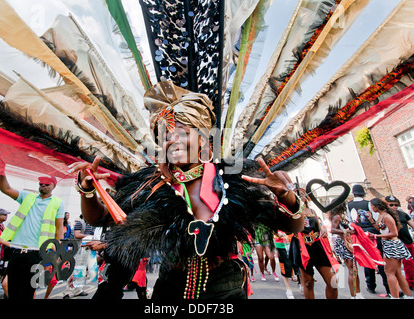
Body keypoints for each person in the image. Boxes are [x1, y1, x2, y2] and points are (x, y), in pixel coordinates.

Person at [68, 81, 304, 299]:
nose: (172, 140)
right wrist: (88, 190)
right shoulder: (152, 184)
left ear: (202, 139)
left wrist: (288, 197)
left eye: (182, 133)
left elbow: (292, 225)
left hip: (225, 289)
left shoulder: (232, 181)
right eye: (166, 136)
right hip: (169, 288)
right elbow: (99, 217)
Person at [0, 158, 65, 299]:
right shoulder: (28, 197)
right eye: (41, 184)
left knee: (27, 291)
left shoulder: (58, 203)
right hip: (16, 252)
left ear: (54, 186)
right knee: (12, 291)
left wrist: (58, 255)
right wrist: (1, 172)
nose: (43, 186)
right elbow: (5, 189)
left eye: (46, 184)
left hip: (36, 253)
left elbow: (59, 229)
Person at [347, 184, 390, 296]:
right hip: (372, 232)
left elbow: (350, 221)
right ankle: (387, 286)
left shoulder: (349, 205)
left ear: (354, 193)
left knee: (366, 258)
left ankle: (370, 286)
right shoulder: (368, 204)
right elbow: (375, 219)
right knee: (378, 257)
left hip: (360, 234)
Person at [292, 195, 338, 299]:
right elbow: (287, 231)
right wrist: (296, 224)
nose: (301, 195)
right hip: (302, 248)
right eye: (297, 192)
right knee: (308, 283)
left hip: (317, 246)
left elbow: (319, 227)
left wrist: (322, 230)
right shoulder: (291, 213)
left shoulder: (312, 211)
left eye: (303, 192)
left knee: (333, 282)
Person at [368, 197, 413, 299]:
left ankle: (395, 296)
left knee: (389, 272)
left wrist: (375, 236)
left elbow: (394, 233)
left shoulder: (387, 216)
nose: (371, 207)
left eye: (371, 205)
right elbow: (382, 229)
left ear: (376, 206)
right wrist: (371, 221)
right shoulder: (381, 216)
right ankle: (408, 295)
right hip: (388, 244)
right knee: (396, 272)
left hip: (392, 244)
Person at [330, 202, 364, 299]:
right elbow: (332, 230)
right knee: (352, 270)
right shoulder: (337, 217)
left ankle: (358, 292)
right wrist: (348, 231)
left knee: (354, 269)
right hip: (344, 243)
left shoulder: (342, 216)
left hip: (349, 242)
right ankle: (353, 295)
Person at [385, 195, 414, 290]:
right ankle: (407, 285)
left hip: (407, 241)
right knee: (396, 268)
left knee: (410, 264)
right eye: (391, 205)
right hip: (395, 244)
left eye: (396, 205)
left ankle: (410, 283)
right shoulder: (385, 216)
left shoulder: (402, 214)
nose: (394, 207)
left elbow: (412, 224)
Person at [274, 230, 296, 299]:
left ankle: (301, 284)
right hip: (281, 244)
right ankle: (288, 289)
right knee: (285, 266)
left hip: (293, 241)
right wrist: (276, 232)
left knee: (297, 264)